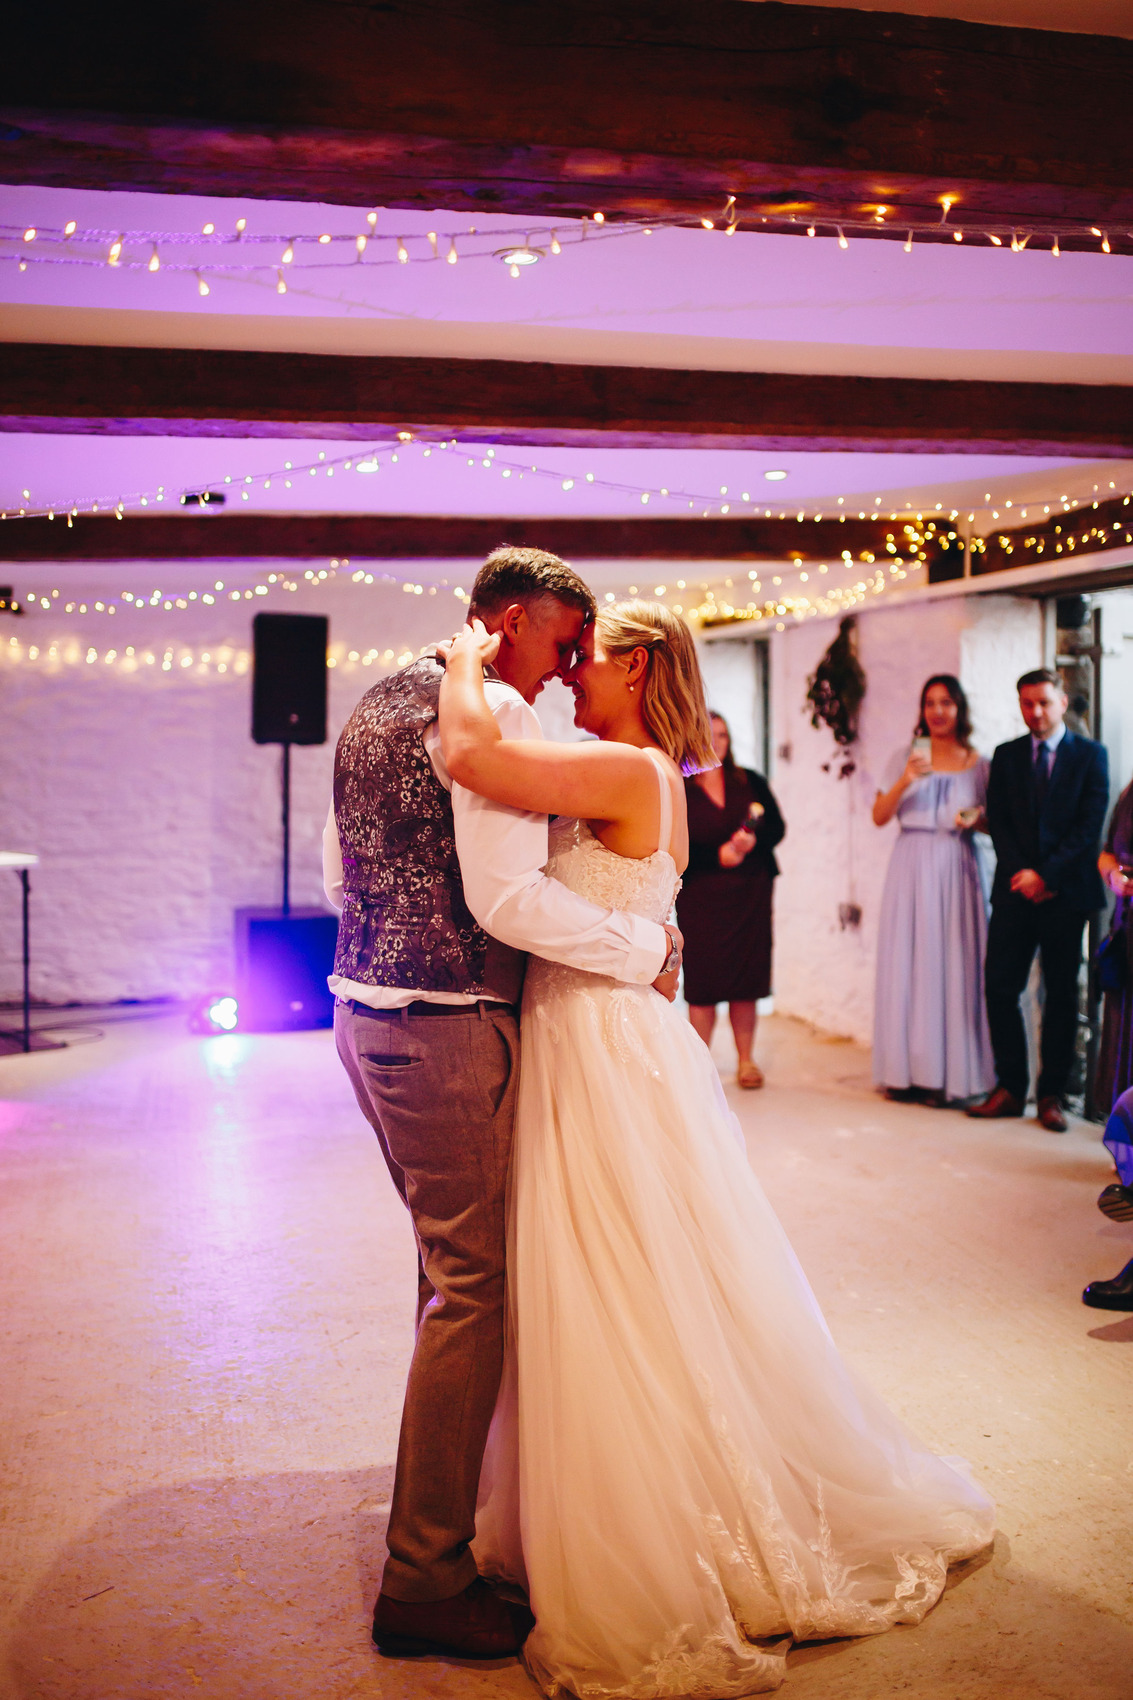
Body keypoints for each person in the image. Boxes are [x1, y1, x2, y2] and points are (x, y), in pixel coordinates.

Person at [437, 602, 994, 1700]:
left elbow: (466, 750)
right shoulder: (637, 768)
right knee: (634, 1274)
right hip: (603, 1027)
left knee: (616, 1278)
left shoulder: (626, 769)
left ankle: (656, 1520)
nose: (565, 672)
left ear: (634, 668)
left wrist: (463, 652)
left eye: (584, 659)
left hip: (598, 1038)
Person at [323, 547, 683, 1662]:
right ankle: (424, 1577)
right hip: (441, 1018)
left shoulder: (385, 693)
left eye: (591, 653)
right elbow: (503, 894)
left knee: (448, 1274)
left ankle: (455, 1510)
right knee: (472, 1289)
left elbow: (336, 867)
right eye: (564, 641)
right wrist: (639, 944)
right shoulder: (487, 711)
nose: (571, 664)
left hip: (364, 1006)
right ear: (517, 622)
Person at [968, 668, 1109, 1132]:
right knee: (1000, 986)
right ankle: (1010, 1087)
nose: (1035, 712)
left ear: (1062, 702)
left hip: (1066, 895)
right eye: (1027, 703)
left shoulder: (1091, 755)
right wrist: (1023, 875)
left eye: (1044, 703)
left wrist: (1046, 875)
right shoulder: (1006, 756)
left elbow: (1089, 827)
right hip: (1014, 891)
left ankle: (1052, 1095)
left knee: (1062, 994)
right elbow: (1001, 823)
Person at [871, 675, 994, 1106]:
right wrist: (906, 779)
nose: (938, 711)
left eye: (946, 702)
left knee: (953, 965)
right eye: (930, 703)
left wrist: (976, 818)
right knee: (909, 963)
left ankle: (950, 1076)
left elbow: (993, 825)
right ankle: (904, 1072)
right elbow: (879, 816)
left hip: (957, 865)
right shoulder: (904, 757)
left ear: (959, 708)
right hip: (911, 865)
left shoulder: (979, 763)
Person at [677, 711, 784, 1088]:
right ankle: (701, 1065)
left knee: (746, 979)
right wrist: (715, 856)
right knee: (703, 982)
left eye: (722, 735)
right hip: (701, 896)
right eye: (709, 735)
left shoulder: (749, 780)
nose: (716, 742)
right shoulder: (679, 786)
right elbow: (672, 846)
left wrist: (754, 841)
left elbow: (777, 827)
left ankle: (746, 1060)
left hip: (749, 892)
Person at [1095, 777, 1133, 1123]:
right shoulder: (1128, 792)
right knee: (1125, 1025)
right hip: (1126, 924)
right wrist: (1113, 876)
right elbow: (1107, 853)